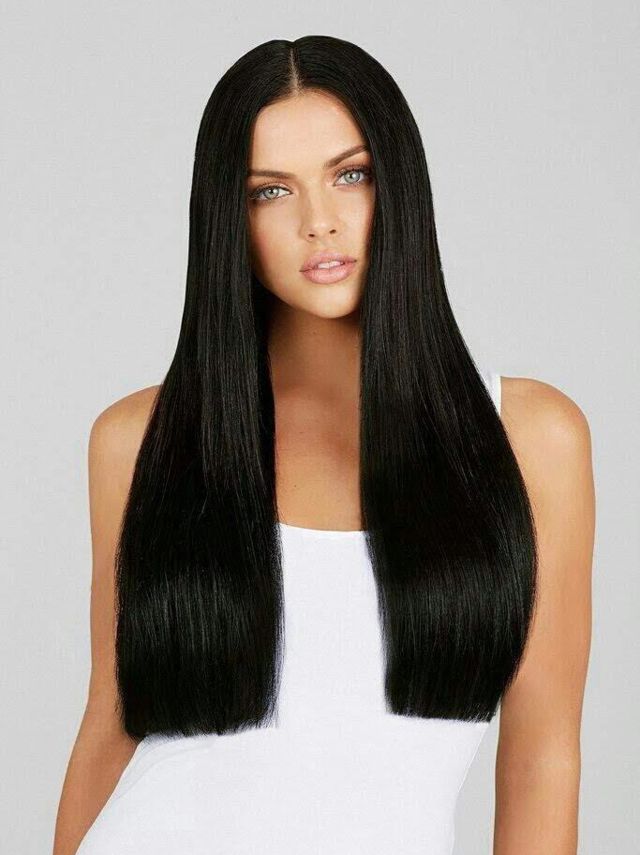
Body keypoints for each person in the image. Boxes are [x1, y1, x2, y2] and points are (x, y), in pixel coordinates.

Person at [53, 36, 594, 855]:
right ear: (229, 219)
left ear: (399, 183)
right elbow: (110, 723)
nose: (319, 221)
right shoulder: (137, 441)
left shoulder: (531, 439)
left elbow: (542, 756)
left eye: (351, 174)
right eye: (271, 191)